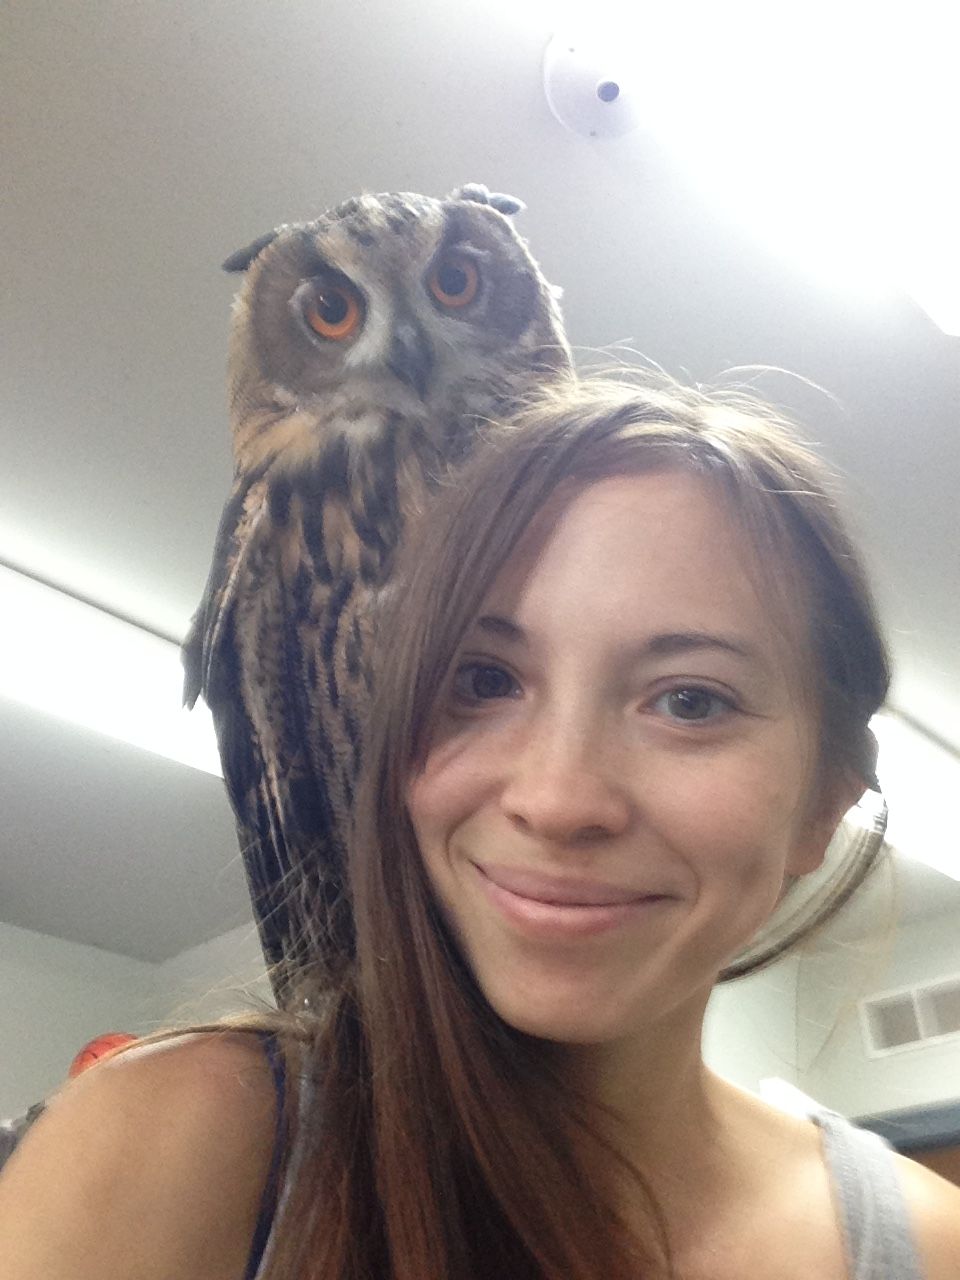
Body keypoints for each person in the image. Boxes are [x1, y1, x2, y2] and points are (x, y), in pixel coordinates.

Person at [2, 375, 958, 1279]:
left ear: (823, 807)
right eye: (485, 681)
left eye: (691, 701)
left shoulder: (923, 1244)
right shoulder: (186, 1142)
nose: (559, 799)